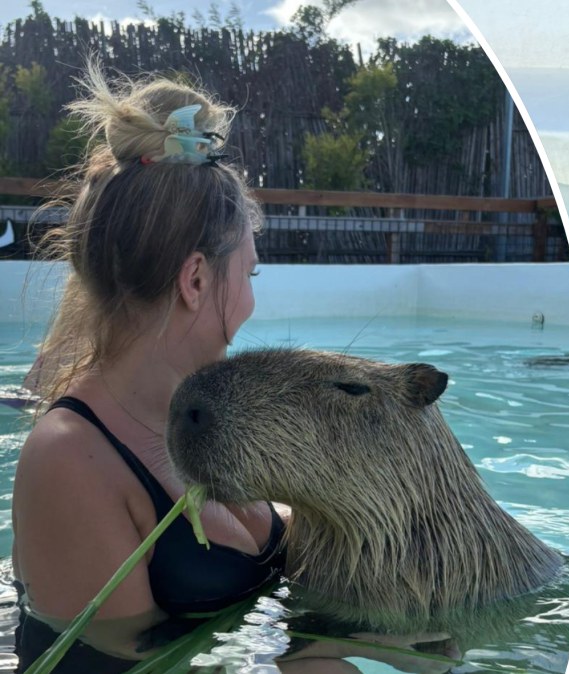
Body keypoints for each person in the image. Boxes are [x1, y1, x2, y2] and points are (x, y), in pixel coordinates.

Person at [11, 67, 446, 674]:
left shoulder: (215, 421)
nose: (249, 299)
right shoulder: (67, 459)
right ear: (195, 281)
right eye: (249, 275)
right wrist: (348, 649)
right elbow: (129, 661)